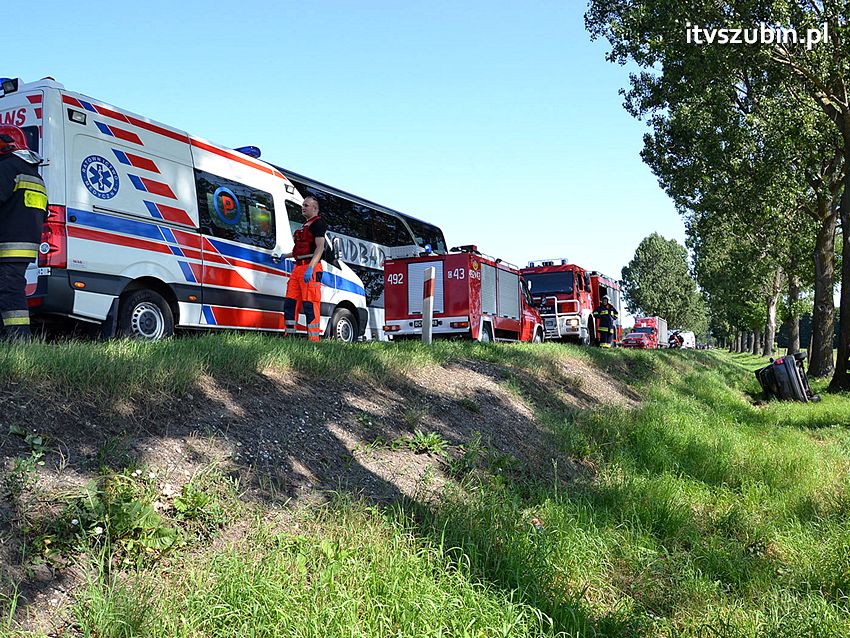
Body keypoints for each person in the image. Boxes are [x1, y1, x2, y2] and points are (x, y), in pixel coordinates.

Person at [0, 126, 46, 340]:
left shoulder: (7, 168)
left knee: (9, 291)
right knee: (10, 290)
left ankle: (20, 342)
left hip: (6, 245)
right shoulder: (34, 174)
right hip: (25, 247)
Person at [280, 196, 326, 341]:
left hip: (310, 268)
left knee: (310, 304)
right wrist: (285, 256)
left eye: (306, 205)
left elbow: (320, 248)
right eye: (303, 205)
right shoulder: (305, 225)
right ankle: (289, 336)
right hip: (298, 268)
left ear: (315, 208)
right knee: (290, 303)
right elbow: (300, 250)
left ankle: (313, 340)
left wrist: (311, 268)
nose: (303, 207)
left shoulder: (318, 224)